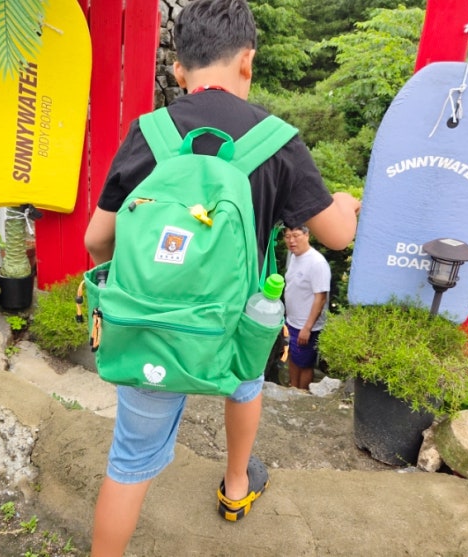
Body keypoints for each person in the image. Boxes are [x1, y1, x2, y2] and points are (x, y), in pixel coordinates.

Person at [83, 1, 360, 554]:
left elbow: (96, 240)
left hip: (150, 327)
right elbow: (337, 237)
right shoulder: (277, 140)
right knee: (245, 384)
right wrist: (345, 203)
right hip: (237, 326)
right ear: (248, 61)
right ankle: (236, 486)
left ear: (178, 71)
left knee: (129, 461)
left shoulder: (149, 133)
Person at [283, 225, 330, 390]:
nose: (291, 241)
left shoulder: (317, 263)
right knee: (292, 356)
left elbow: (321, 298)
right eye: (287, 236)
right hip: (292, 321)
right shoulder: (294, 256)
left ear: (307, 235)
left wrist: (307, 328)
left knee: (305, 363)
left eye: (296, 235)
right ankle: (293, 388)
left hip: (307, 325)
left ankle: (301, 393)